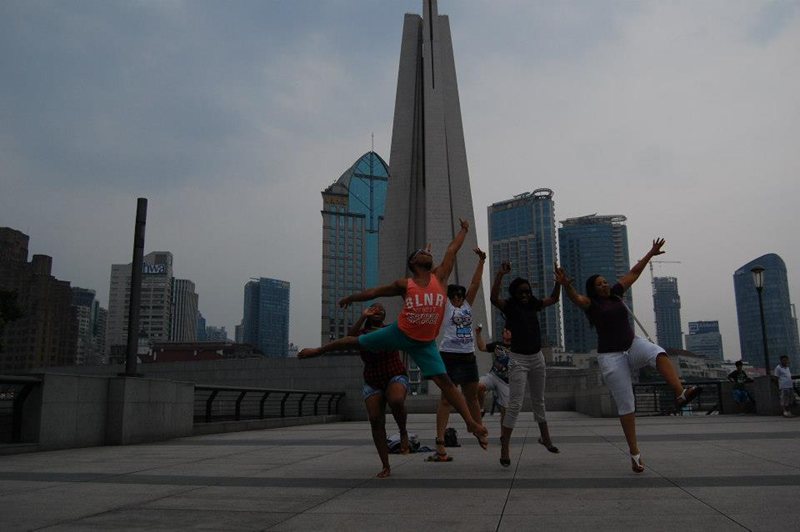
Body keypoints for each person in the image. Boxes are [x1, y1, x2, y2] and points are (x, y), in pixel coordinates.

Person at [298, 218, 489, 449]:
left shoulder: (440, 277)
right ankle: (319, 350)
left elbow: (452, 249)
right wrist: (351, 298)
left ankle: (470, 422)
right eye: (421, 253)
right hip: (400, 332)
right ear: (413, 262)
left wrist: (464, 230)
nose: (426, 253)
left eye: (426, 252)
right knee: (358, 341)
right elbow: (376, 291)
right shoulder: (404, 284)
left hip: (425, 343)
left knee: (447, 384)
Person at [556, 238, 701, 473]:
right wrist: (566, 286)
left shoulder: (615, 293)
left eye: (605, 282)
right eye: (600, 284)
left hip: (632, 345)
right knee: (626, 405)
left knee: (658, 353)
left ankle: (680, 393)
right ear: (593, 289)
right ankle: (635, 454)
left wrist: (650, 254)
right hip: (611, 357)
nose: (605, 285)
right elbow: (576, 298)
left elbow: (634, 272)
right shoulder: (591, 304)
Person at [301, 303, 410, 478]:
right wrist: (362, 316)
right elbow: (348, 339)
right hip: (373, 380)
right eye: (373, 309)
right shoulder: (362, 335)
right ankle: (385, 465)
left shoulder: (391, 330)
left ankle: (403, 431)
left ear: (385, 315)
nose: (377, 310)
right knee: (375, 420)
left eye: (381, 309)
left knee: (396, 400)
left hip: (394, 374)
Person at [490, 261, 561, 468]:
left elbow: (554, 299)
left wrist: (559, 282)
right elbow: (494, 298)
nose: (525, 294)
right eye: (521, 292)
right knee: (515, 404)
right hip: (518, 359)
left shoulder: (533, 304)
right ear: (514, 293)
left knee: (539, 400)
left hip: (537, 357)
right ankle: (505, 446)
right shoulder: (510, 307)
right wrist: (500, 275)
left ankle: (545, 438)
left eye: (527, 291)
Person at [429, 248, 486, 462]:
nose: (457, 298)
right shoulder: (446, 307)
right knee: (446, 400)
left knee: (471, 396)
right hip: (449, 355)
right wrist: (433, 260)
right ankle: (440, 441)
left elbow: (475, 284)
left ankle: (479, 431)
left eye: (460, 296)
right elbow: (439, 280)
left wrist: (481, 262)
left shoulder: (468, 306)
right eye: (454, 296)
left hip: (468, 355)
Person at [475, 325, 511, 427]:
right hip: (493, 376)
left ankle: (504, 436)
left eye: (508, 330)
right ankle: (481, 409)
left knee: (506, 411)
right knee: (478, 386)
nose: (506, 332)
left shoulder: (518, 348)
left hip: (506, 382)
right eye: (504, 331)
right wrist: (478, 334)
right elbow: (482, 347)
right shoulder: (497, 345)